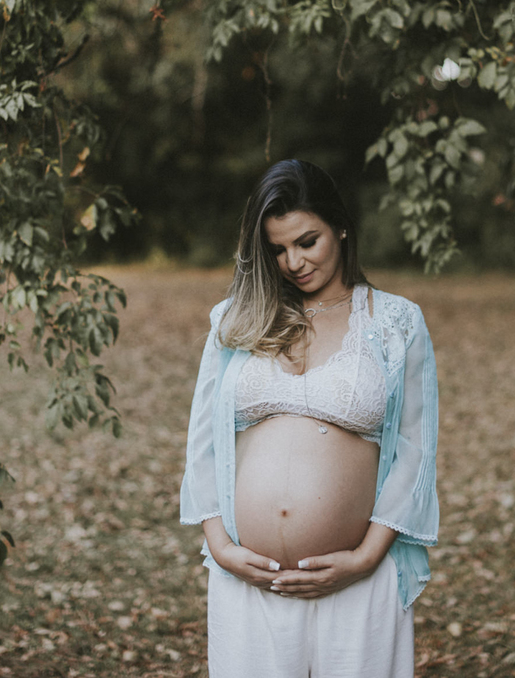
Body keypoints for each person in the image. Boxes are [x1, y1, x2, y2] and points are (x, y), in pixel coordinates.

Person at [179, 159, 440, 678]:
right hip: (249, 582)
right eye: (277, 249)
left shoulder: (395, 321)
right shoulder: (236, 319)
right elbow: (203, 438)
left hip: (357, 582)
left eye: (307, 241)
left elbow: (415, 449)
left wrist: (365, 558)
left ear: (340, 227)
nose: (293, 262)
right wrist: (221, 548)